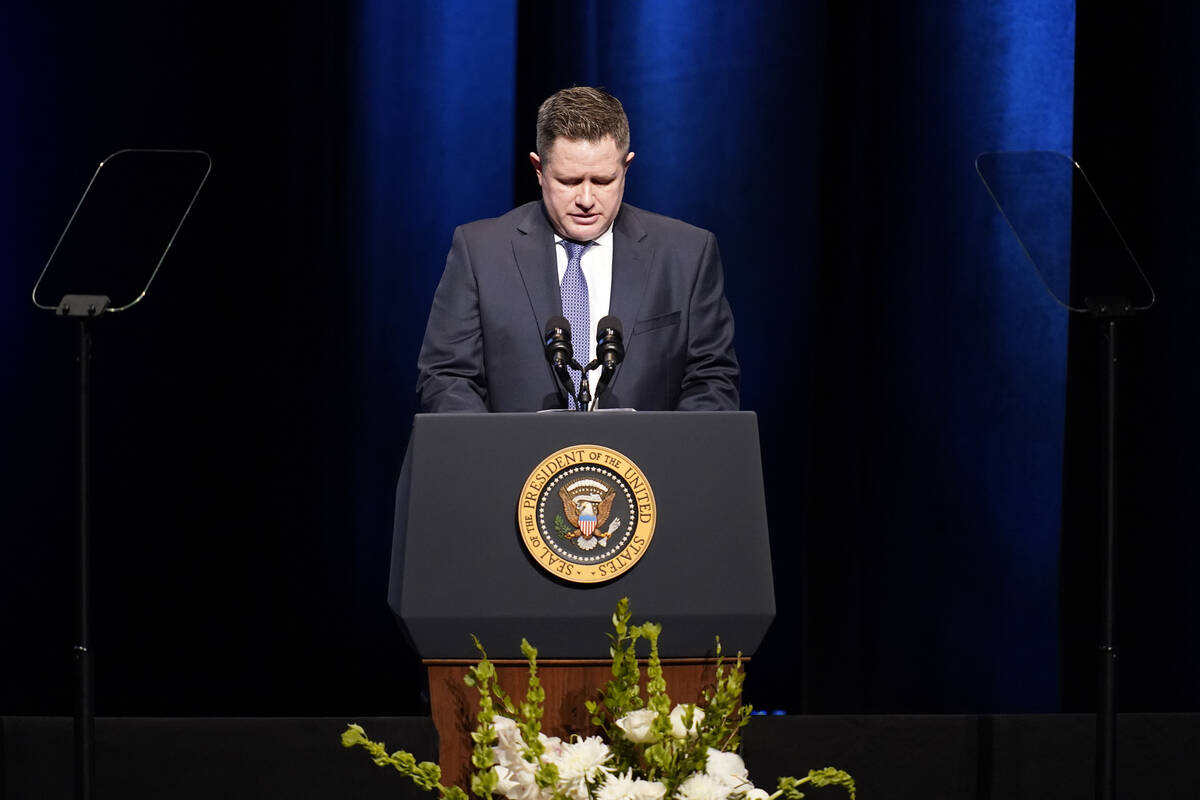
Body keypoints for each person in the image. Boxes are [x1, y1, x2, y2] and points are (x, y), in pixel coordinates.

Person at [416, 86, 739, 412]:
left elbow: (711, 381)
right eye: (569, 181)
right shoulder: (481, 253)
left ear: (626, 168)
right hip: (512, 460)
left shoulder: (687, 255)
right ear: (539, 169)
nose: (586, 200)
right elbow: (448, 378)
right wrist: (495, 458)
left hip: (646, 462)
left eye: (602, 181)